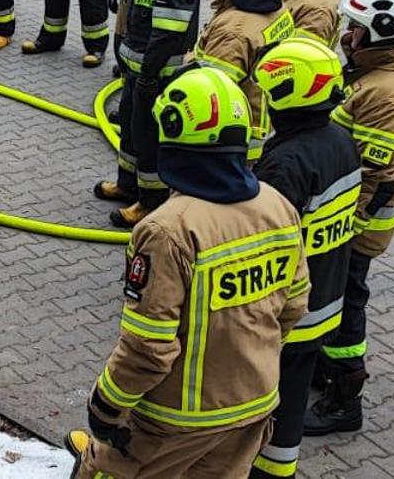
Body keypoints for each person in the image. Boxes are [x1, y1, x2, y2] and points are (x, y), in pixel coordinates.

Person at [65, 67, 309, 479]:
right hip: (253, 404)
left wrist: (105, 407)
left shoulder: (168, 230)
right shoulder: (277, 205)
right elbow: (294, 304)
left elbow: (148, 347)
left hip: (174, 420)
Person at [308, 0, 394, 437]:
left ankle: (344, 400)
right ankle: (325, 371)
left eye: (356, 29)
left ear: (381, 32)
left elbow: (373, 178)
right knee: (336, 299)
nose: (346, 36)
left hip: (356, 227)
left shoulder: (387, 94)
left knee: (345, 302)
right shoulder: (384, 73)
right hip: (350, 221)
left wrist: (338, 229)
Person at [247, 37, 361, 479]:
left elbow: (263, 238)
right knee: (292, 400)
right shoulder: (340, 141)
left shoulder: (289, 162)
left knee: (256, 398)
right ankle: (279, 471)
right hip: (325, 300)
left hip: (285, 310)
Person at [94, 0, 202, 226]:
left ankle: (151, 202)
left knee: (149, 136)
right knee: (130, 125)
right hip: (139, 61)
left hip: (156, 68)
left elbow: (172, 25)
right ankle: (128, 184)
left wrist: (150, 73)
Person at [197, 0, 296, 165]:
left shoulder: (235, 30)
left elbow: (213, 92)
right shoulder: (278, 9)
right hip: (266, 126)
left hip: (232, 139)